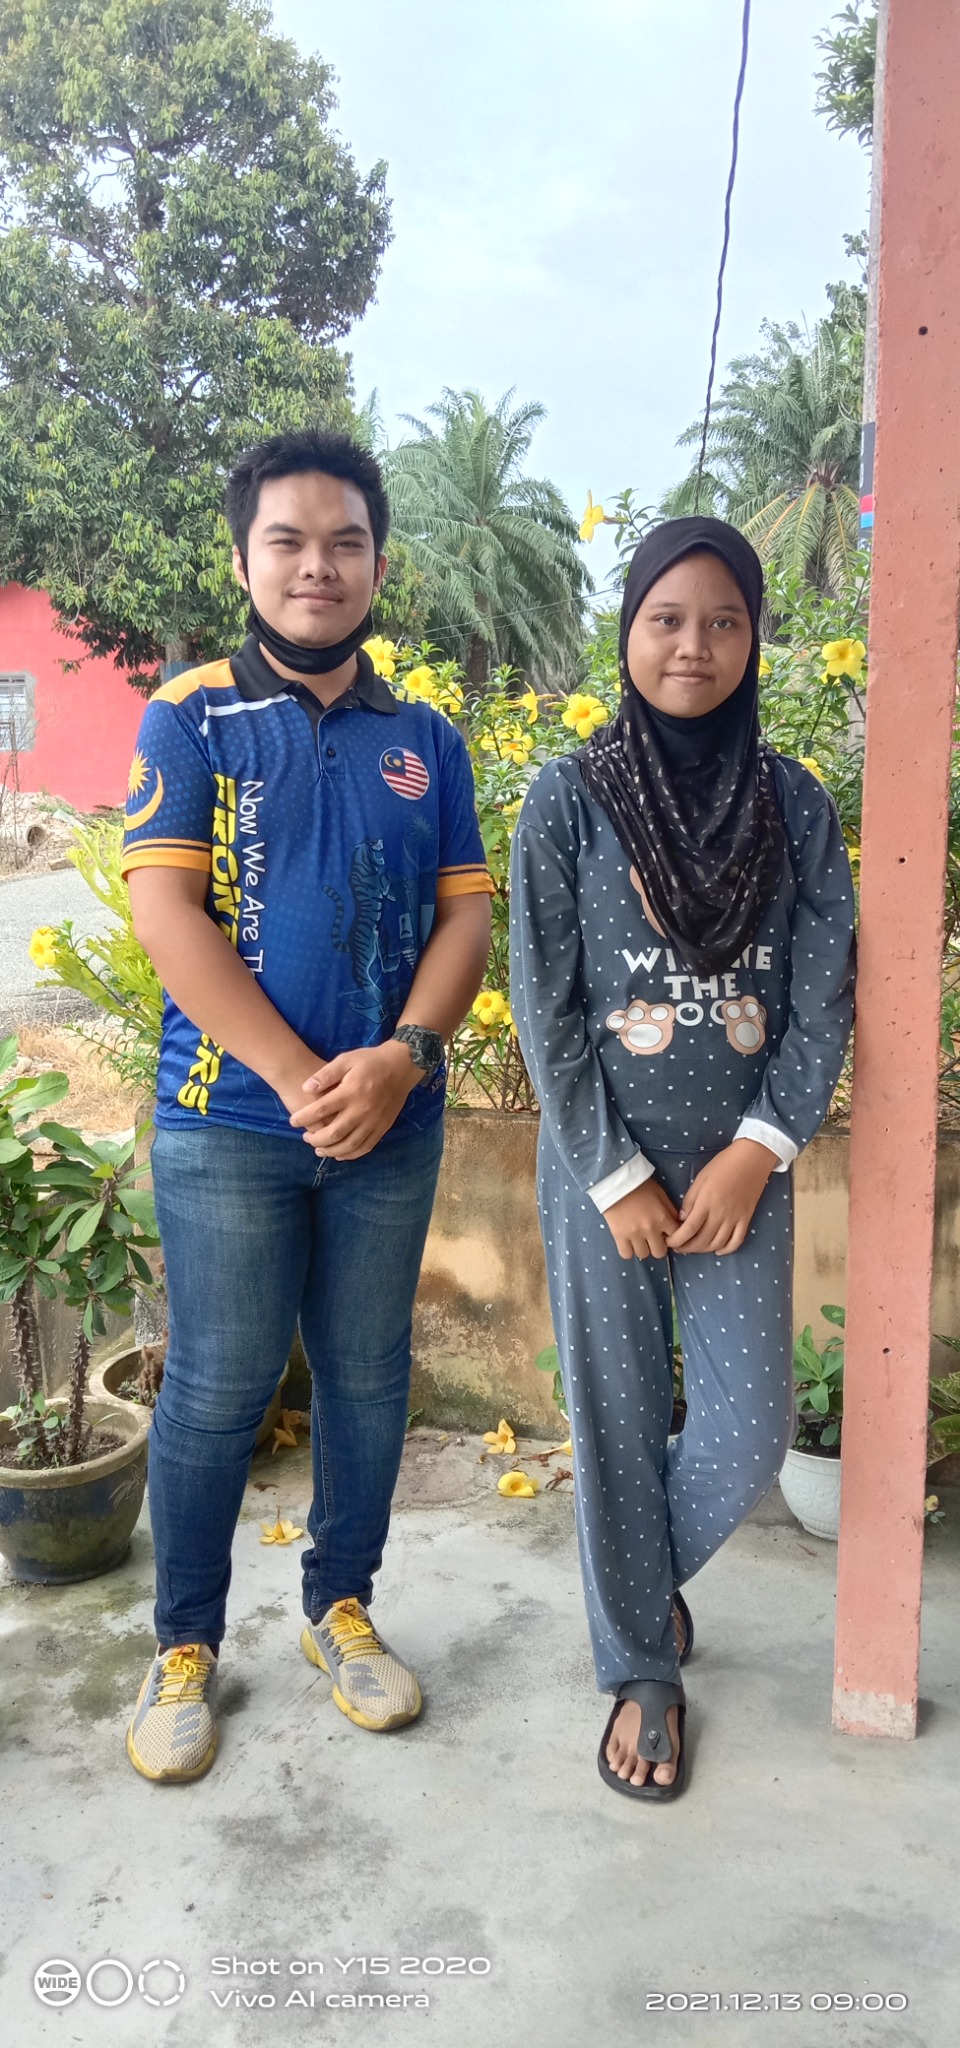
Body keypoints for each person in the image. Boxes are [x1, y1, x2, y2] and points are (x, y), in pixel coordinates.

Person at [121, 429, 493, 1782]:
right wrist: (296, 1078)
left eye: (345, 542)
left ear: (379, 564)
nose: (317, 565)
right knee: (219, 1386)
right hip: (228, 1121)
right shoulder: (191, 716)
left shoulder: (427, 739)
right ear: (244, 561)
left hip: (392, 1124)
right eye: (287, 540)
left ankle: (341, 1606)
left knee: (368, 1375)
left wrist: (402, 1057)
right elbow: (167, 913)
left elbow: (465, 920)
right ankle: (184, 1642)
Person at [509, 517, 855, 1801]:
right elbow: (544, 1001)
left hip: (739, 1175)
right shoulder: (570, 797)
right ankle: (643, 1668)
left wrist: (759, 1149)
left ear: (755, 635)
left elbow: (823, 997)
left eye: (723, 620)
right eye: (665, 618)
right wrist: (613, 1174)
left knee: (750, 1433)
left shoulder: (795, 804)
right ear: (627, 633)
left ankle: (635, 1580)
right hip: (602, 1169)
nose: (693, 645)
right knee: (611, 1415)